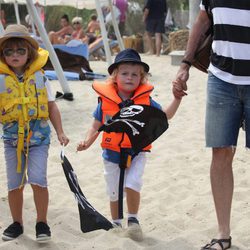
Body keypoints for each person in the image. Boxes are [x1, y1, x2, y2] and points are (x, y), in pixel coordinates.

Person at [76, 48, 183, 241]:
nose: (129, 77)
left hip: (136, 151)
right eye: (124, 73)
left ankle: (133, 220)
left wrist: (176, 99)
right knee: (114, 190)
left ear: (141, 78)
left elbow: (165, 116)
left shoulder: (146, 101)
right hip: (111, 152)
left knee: (133, 183)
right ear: (115, 76)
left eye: (135, 74)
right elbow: (96, 126)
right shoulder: (105, 101)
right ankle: (117, 222)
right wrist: (87, 142)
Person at [172, 1, 250, 250]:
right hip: (221, 79)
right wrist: (185, 64)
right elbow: (203, 20)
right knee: (220, 151)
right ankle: (223, 235)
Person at [0, 24, 69, 242]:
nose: (15, 55)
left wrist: (60, 132)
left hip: (39, 139)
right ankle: (17, 223)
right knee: (14, 184)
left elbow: (52, 107)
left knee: (38, 180)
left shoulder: (41, 77)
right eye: (9, 51)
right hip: (12, 140)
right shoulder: (1, 80)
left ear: (30, 52)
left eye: (20, 50)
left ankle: (42, 222)